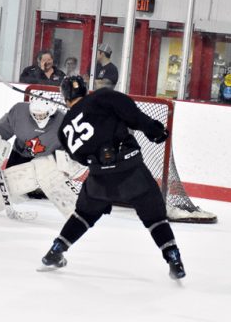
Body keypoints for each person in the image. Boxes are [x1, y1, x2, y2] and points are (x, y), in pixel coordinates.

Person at [39, 76, 186, 280]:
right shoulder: (102, 97)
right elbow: (132, 113)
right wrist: (154, 131)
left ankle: (55, 251)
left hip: (100, 179)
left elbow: (79, 158)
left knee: (83, 215)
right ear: (84, 89)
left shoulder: (64, 129)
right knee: (155, 218)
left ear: (65, 98)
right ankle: (173, 259)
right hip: (131, 173)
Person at [0, 94, 83, 216]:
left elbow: (71, 147)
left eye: (42, 115)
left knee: (46, 180)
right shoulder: (19, 112)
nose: (38, 118)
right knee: (9, 185)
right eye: (35, 115)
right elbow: (1, 132)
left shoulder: (63, 122)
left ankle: (41, 191)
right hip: (21, 154)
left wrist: (68, 165)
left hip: (46, 160)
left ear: (51, 112)